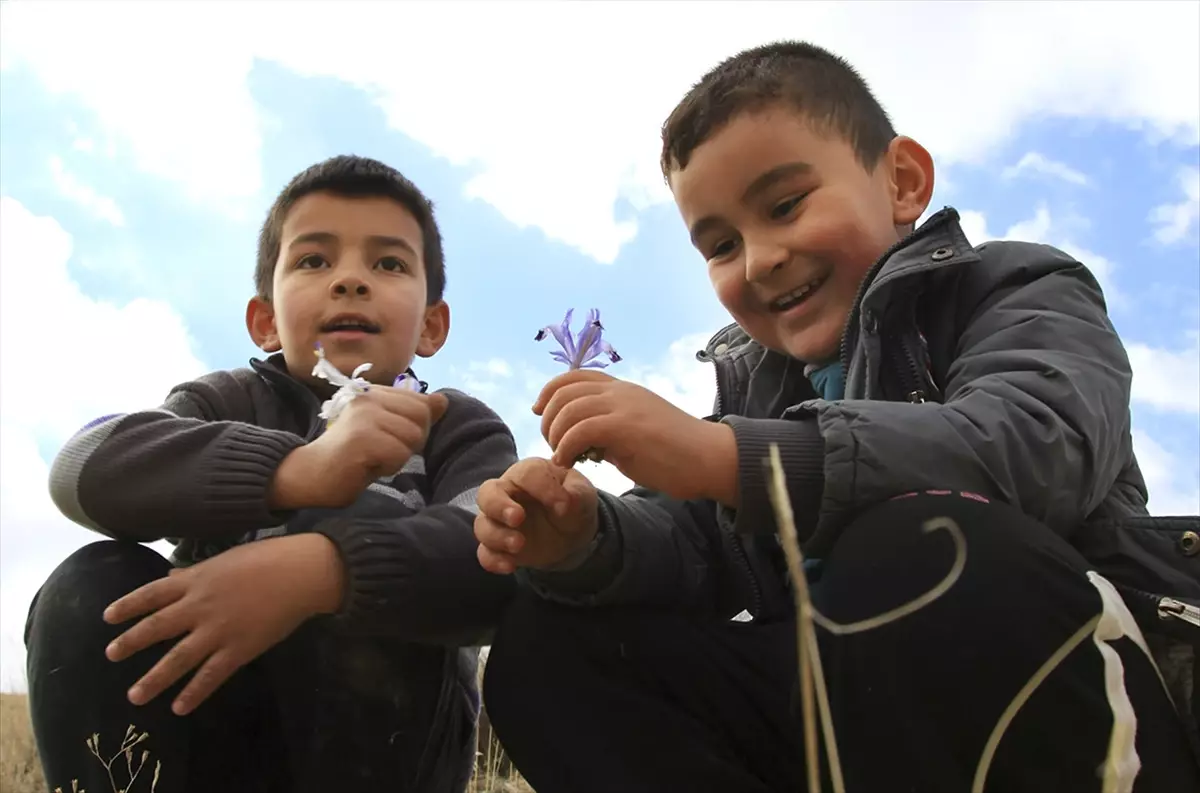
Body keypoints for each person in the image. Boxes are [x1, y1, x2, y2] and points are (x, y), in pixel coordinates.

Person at [473, 41, 1200, 793]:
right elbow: (691, 542)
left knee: (916, 540)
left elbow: (1034, 449)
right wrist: (582, 538)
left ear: (903, 182)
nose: (758, 260)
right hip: (844, 719)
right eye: (721, 245)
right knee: (545, 640)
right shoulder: (753, 399)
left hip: (1061, 700)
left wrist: (732, 460)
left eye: (785, 206)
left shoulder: (1016, 287)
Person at [25, 155, 518, 793]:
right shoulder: (221, 402)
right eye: (314, 260)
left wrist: (322, 571)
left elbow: (497, 562)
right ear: (264, 321)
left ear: (431, 325)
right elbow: (80, 469)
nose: (349, 280)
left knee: (365, 520)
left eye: (389, 263)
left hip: (382, 752)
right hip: (203, 735)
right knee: (89, 584)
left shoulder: (458, 427)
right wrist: (294, 471)